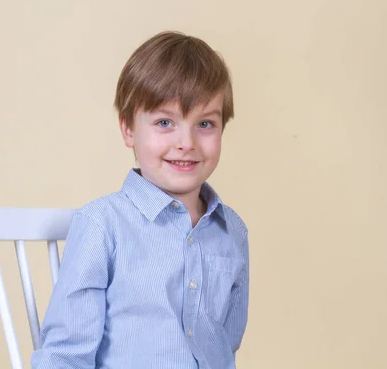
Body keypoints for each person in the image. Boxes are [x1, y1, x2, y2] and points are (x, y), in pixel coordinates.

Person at [31, 31, 249, 369]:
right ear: (128, 128)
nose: (186, 142)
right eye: (165, 122)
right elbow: (65, 354)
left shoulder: (232, 231)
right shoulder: (102, 224)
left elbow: (226, 346)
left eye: (205, 123)